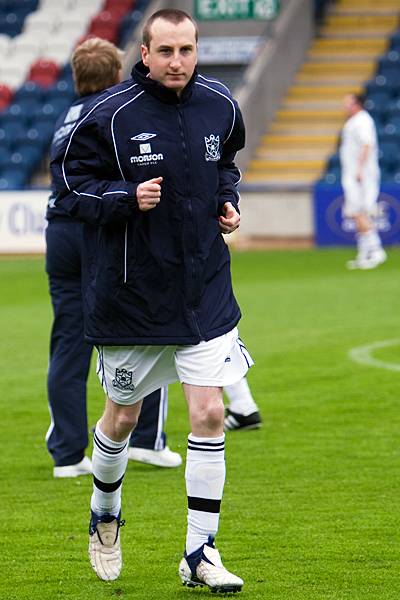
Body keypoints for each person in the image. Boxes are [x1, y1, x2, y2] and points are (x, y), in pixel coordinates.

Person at [51, 9, 252, 593]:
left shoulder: (221, 103)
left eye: (187, 50)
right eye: (165, 51)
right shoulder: (107, 116)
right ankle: (105, 511)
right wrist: (122, 197)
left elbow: (225, 165)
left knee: (211, 411)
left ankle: (200, 551)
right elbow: (68, 191)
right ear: (143, 52)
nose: (177, 62)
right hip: (132, 294)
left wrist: (227, 200)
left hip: (204, 288)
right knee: (123, 416)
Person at [46, 37, 182, 479]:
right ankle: (144, 439)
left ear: (76, 75)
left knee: (68, 343)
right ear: (116, 73)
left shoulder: (66, 117)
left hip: (58, 230)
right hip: (99, 228)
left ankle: (67, 454)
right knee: (146, 323)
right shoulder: (115, 112)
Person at [340, 93, 387, 270]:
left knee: (359, 211)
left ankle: (376, 250)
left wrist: (359, 169)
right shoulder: (353, 122)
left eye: (347, 103)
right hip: (352, 173)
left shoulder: (363, 121)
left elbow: (367, 144)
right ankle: (364, 252)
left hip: (361, 175)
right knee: (354, 211)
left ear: (357, 104)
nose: (344, 106)